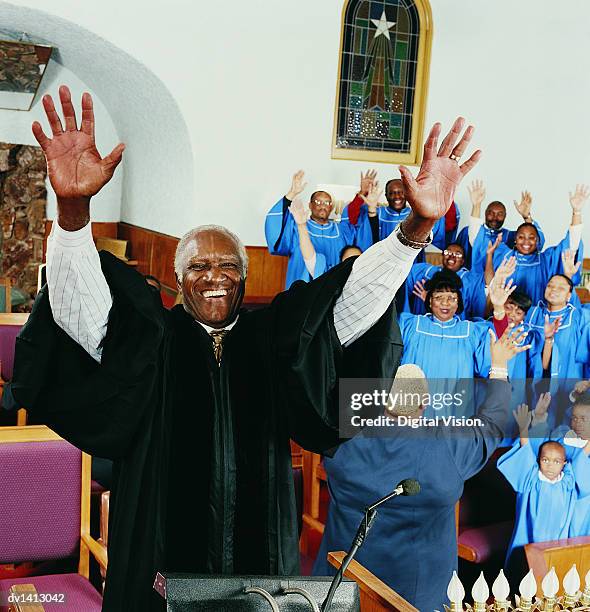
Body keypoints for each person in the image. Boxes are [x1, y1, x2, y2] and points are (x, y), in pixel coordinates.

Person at [4, 86, 482, 611]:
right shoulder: (152, 338)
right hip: (161, 559)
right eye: (200, 268)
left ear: (244, 276)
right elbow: (82, 309)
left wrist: (417, 228)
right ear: (178, 278)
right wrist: (73, 209)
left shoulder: (270, 338)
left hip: (260, 567)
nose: (215, 278)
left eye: (228, 266)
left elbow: (346, 305)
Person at [313, 326, 526, 611]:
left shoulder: (341, 439)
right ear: (425, 403)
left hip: (343, 583)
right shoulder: (448, 446)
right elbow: (493, 424)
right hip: (419, 594)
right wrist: (498, 366)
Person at [498, 404, 590, 580]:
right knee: (525, 571)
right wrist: (525, 428)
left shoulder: (568, 480)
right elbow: (527, 455)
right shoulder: (533, 477)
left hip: (567, 531)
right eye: (574, 417)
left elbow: (577, 467)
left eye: (583, 418)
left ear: (563, 464)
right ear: (539, 460)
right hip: (531, 534)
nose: (550, 465)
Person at [490, 186, 587, 304]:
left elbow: (571, 246)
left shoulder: (546, 260)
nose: (526, 242)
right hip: (508, 316)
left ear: (537, 241)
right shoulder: (503, 256)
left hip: (539, 318)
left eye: (531, 238)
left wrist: (576, 212)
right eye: (521, 237)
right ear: (515, 240)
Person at [265, 171, 355, 288]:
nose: (323, 206)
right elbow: (275, 226)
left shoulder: (341, 231)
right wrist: (291, 194)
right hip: (301, 286)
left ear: (331, 207)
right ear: (310, 205)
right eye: (318, 202)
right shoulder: (297, 227)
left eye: (327, 202)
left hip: (332, 288)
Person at [343, 176, 458, 258]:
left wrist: (444, 194)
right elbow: (352, 219)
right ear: (386, 196)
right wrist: (362, 193)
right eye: (392, 193)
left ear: (407, 194)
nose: (396, 196)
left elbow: (448, 225)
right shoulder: (375, 211)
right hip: (381, 263)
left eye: (400, 192)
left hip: (410, 266)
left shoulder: (418, 214)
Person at [456, 180, 545, 272]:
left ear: (505, 216)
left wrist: (527, 216)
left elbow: (536, 243)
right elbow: (465, 245)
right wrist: (476, 205)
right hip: (473, 280)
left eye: (500, 214)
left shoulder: (510, 236)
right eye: (491, 213)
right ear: (485, 213)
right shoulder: (468, 232)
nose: (495, 217)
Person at [402, 242, 486, 318]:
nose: (452, 256)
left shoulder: (471, 281)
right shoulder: (424, 271)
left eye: (458, 254)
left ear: (463, 261)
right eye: (447, 252)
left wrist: (429, 300)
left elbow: (478, 312)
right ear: (442, 255)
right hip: (422, 323)